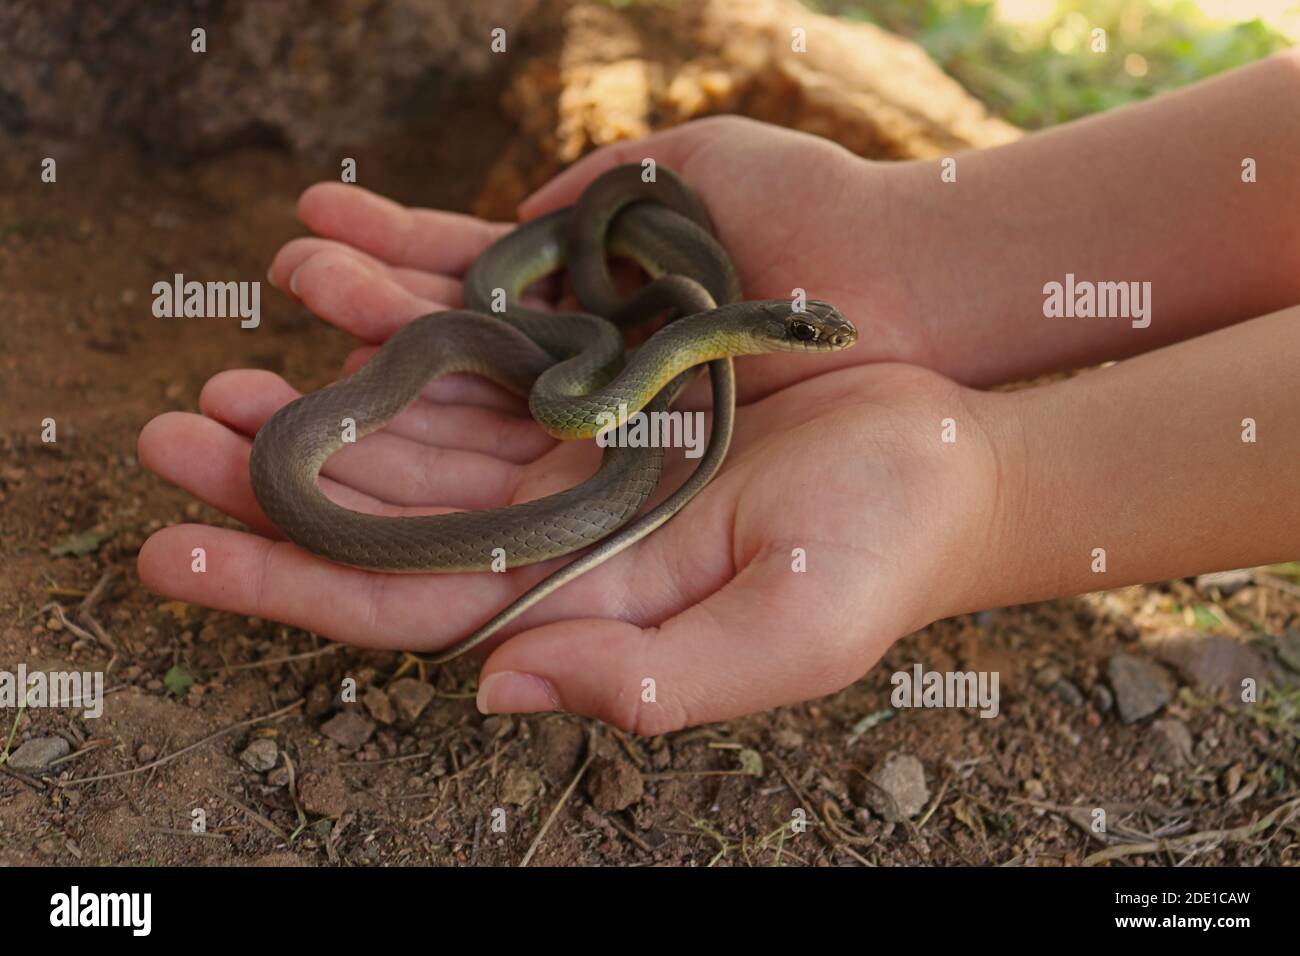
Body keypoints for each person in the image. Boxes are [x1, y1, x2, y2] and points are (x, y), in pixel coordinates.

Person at [137, 49, 1300, 733]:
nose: (804, 335)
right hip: (587, 329)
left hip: (616, 338)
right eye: (798, 329)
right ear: (740, 325)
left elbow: (596, 386)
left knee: (582, 365)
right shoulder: (597, 367)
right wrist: (913, 248)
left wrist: (986, 498)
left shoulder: (635, 377)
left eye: (801, 329)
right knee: (521, 351)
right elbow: (571, 391)